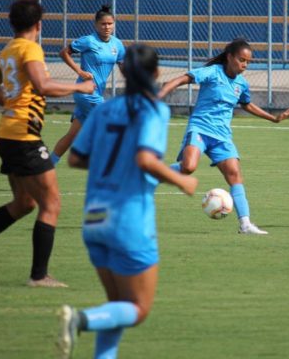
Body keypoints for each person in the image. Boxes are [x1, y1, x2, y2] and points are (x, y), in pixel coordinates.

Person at [57, 44, 197, 359]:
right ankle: (80, 319)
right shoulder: (153, 109)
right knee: (139, 308)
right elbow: (146, 159)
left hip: (94, 218)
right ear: (157, 73)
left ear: (121, 71)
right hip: (128, 219)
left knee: (117, 307)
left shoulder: (105, 108)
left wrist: (116, 163)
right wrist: (182, 180)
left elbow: (76, 158)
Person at [0, 0, 95, 287]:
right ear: (39, 25)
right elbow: (43, 86)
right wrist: (79, 86)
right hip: (23, 137)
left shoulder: (9, 49)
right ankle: (39, 276)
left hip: (8, 133)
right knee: (51, 203)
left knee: (24, 203)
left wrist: (13, 103)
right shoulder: (30, 49)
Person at [157, 38, 289, 235]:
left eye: (248, 62)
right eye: (242, 60)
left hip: (222, 136)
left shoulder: (241, 83)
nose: (245, 65)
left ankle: (245, 224)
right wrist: (159, 95)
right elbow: (182, 79)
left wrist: (273, 118)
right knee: (188, 167)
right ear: (230, 57)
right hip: (200, 129)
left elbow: (246, 104)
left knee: (235, 175)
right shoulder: (212, 72)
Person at [50, 5, 125, 165]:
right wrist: (80, 71)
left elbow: (123, 65)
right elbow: (64, 52)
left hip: (96, 93)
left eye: (110, 24)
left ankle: (46, 166)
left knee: (72, 135)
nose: (107, 27)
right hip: (85, 93)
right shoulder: (88, 41)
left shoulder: (117, 45)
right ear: (96, 25)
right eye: (103, 24)